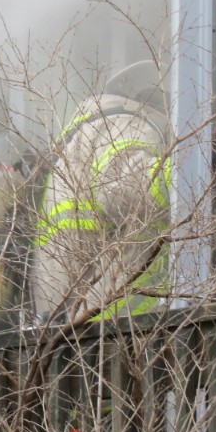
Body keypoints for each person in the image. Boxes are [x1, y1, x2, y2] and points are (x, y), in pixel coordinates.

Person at [29, 60, 172, 325]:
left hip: (79, 328)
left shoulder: (85, 136)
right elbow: (122, 190)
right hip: (120, 326)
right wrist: (191, 167)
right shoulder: (125, 122)